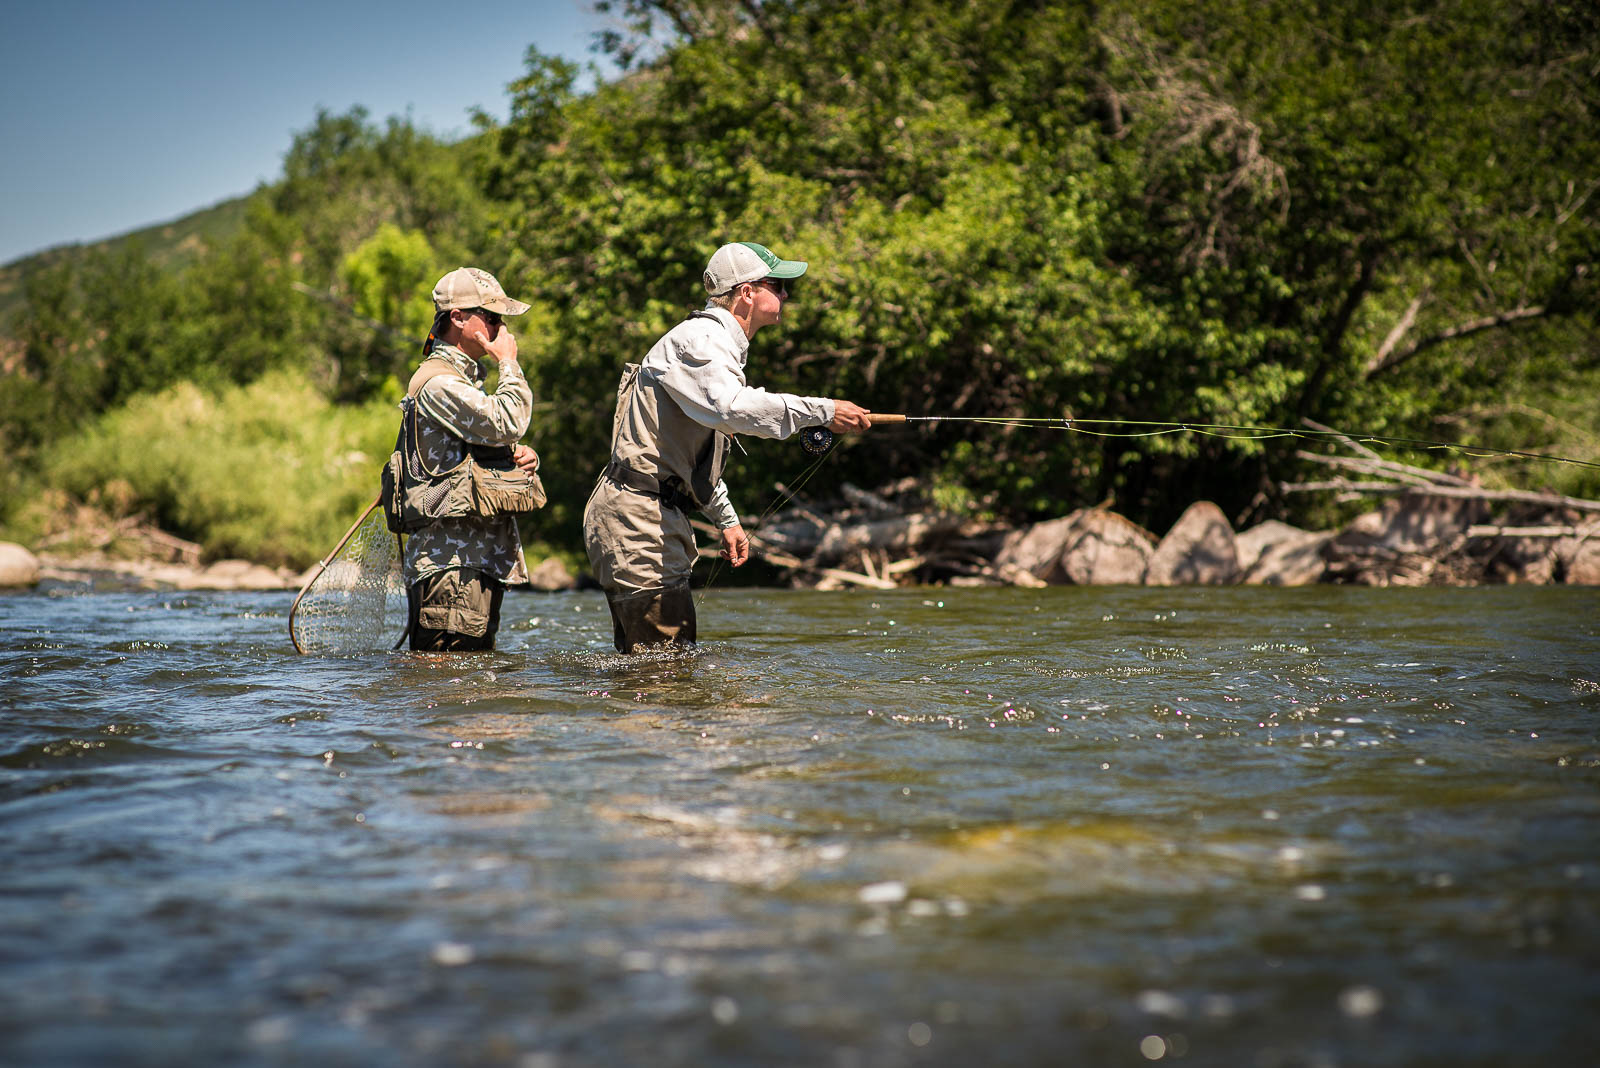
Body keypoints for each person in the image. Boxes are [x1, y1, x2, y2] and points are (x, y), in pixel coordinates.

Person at [583, 241, 873, 652]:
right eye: (778, 284)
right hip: (639, 518)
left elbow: (689, 451)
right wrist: (823, 411)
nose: (786, 294)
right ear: (747, 292)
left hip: (646, 514)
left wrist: (727, 520)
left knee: (652, 669)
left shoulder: (712, 345)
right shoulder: (701, 340)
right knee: (666, 672)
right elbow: (733, 409)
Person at [401, 267, 541, 651]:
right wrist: (508, 363)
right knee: (448, 690)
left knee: (466, 692)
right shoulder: (440, 381)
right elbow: (508, 420)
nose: (500, 329)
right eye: (491, 317)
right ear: (457, 318)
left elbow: (485, 443)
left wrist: (519, 457)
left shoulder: (462, 381)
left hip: (467, 563)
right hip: (452, 567)